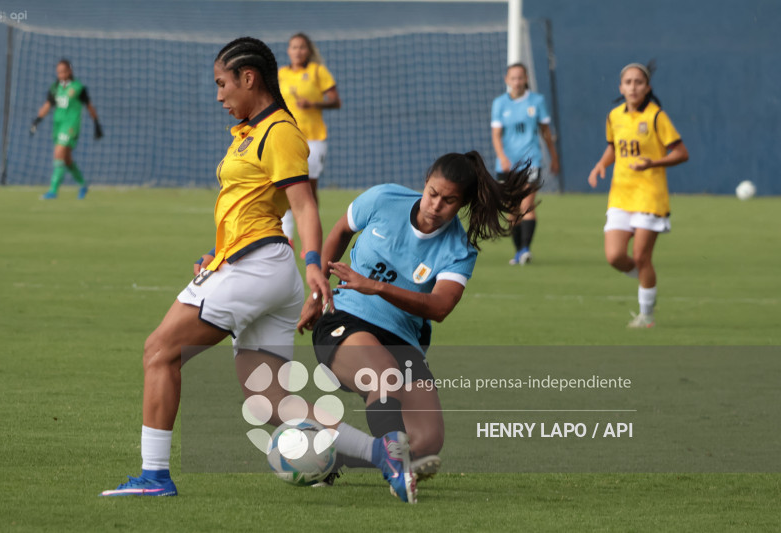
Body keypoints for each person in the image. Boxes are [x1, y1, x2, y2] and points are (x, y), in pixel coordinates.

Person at [100, 37, 414, 503]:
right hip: (254, 265)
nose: (220, 95)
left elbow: (304, 206)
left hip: (260, 268)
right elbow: (247, 207)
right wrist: (219, 251)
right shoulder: (253, 131)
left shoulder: (280, 132)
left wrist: (314, 264)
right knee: (267, 401)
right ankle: (382, 453)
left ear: (249, 78)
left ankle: (155, 475)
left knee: (160, 351)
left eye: (223, 83)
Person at [298, 151, 537, 483]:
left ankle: (334, 453)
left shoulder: (459, 250)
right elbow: (340, 232)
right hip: (346, 319)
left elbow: (439, 307)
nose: (435, 206)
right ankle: (395, 472)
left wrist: (376, 286)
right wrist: (317, 292)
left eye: (449, 201)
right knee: (384, 376)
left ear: (463, 204)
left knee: (425, 445)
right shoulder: (383, 199)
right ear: (425, 183)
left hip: (402, 339)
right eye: (433, 194)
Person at [587, 62, 689, 328]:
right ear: (621, 87)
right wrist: (601, 164)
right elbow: (613, 147)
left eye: (638, 82)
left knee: (642, 256)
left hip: (650, 196)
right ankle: (645, 277)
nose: (633, 87)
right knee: (615, 257)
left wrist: (652, 163)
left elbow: (681, 153)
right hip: (621, 195)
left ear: (647, 87)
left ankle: (646, 316)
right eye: (628, 82)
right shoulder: (614, 116)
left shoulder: (656, 117)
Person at [491, 63, 559, 265]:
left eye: (520, 77)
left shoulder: (537, 101)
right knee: (512, 210)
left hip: (531, 160)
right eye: (513, 78)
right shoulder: (500, 104)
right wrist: (502, 157)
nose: (517, 82)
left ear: (526, 79)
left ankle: (526, 249)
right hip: (507, 165)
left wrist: (553, 156)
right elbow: (496, 135)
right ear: (507, 80)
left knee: (526, 204)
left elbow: (546, 132)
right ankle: (519, 251)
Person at [278, 33, 341, 247]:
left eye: (302, 47)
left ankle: (309, 241)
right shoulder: (281, 74)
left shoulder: (317, 71)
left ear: (308, 51)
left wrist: (313, 104)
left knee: (309, 190)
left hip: (313, 138)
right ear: (288, 50)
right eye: (294, 47)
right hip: (288, 137)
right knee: (285, 184)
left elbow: (335, 101)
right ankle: (287, 236)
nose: (298, 51)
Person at [30, 59, 103, 200]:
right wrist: (37, 120)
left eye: (63, 71)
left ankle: (53, 190)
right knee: (67, 159)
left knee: (58, 153)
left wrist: (96, 123)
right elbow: (47, 105)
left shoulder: (78, 88)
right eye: (58, 72)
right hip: (58, 124)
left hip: (71, 126)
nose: (61, 74)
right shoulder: (55, 87)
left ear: (69, 71)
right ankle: (83, 185)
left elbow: (89, 106)